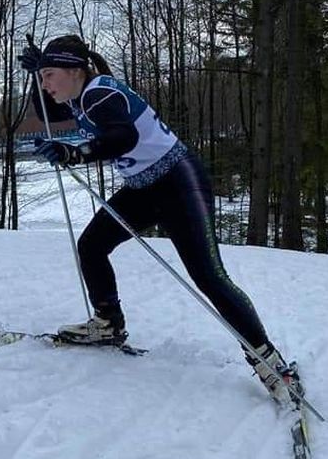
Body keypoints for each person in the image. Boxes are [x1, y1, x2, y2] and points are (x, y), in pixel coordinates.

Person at [18, 34, 293, 401]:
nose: (46, 85)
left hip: (179, 183)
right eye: (43, 78)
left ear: (74, 71)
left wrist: (76, 153)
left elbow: (123, 136)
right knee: (92, 245)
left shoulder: (101, 92)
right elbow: (48, 114)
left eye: (50, 75)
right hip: (144, 188)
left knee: (209, 277)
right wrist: (37, 75)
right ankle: (107, 323)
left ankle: (269, 361)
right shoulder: (82, 97)